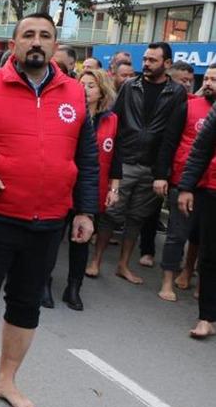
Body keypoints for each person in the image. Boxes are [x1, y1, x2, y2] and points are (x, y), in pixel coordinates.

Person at [0, 12, 98, 407]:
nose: (36, 41)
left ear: (54, 46)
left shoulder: (76, 94)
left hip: (48, 221)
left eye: (45, 36)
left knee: (26, 304)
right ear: (13, 44)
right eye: (28, 34)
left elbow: (87, 157)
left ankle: (6, 380)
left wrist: (85, 211)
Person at [88, 42, 186, 283]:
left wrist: (161, 172)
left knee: (137, 218)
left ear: (167, 63)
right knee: (111, 214)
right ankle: (96, 260)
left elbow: (172, 135)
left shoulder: (177, 92)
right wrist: (115, 163)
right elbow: (115, 124)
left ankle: (123, 265)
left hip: (153, 167)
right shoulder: (131, 86)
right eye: (145, 59)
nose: (146, 64)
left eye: (153, 60)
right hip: (126, 160)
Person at [43, 69, 120, 310]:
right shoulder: (66, 112)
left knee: (80, 239)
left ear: (102, 92)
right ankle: (43, 283)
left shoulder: (112, 120)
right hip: (62, 185)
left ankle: (73, 287)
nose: (85, 90)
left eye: (91, 86)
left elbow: (117, 155)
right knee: (52, 238)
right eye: (82, 84)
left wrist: (114, 187)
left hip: (90, 189)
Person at [151, 61, 207, 302]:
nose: (209, 84)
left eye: (214, 80)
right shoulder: (188, 107)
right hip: (184, 181)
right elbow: (169, 142)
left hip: (211, 188)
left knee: (205, 239)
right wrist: (162, 175)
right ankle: (167, 282)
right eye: (208, 80)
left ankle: (193, 277)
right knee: (176, 234)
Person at [177, 63, 216, 339]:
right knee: (210, 256)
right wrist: (187, 187)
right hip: (212, 191)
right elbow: (200, 149)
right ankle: (206, 318)